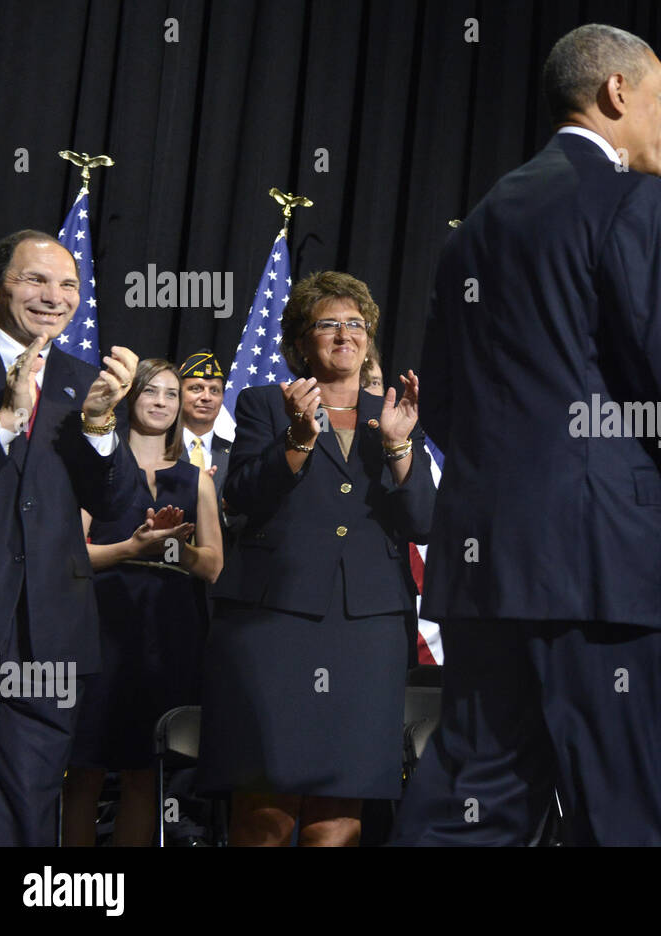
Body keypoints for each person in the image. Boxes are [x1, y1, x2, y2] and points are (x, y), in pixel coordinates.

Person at [394, 24, 661, 846]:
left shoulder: (477, 226)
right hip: (602, 570)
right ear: (616, 93)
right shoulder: (630, 198)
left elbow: (444, 406)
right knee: (634, 808)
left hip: (488, 567)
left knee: (475, 800)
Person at [195, 270, 434, 846]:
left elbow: (423, 521)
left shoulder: (394, 413)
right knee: (264, 805)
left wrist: (401, 446)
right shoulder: (265, 404)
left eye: (356, 325)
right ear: (301, 341)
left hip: (367, 628)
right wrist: (297, 443)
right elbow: (242, 498)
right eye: (328, 324)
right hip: (272, 624)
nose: (345, 335)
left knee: (341, 808)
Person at [0, 229, 139, 846]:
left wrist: (99, 426)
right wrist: (6, 419)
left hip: (50, 634)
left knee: (27, 798)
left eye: (68, 284)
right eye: (36, 280)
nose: (55, 296)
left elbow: (116, 503)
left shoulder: (82, 380)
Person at [62, 358, 223, 846]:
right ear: (130, 399)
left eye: (171, 394)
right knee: (85, 765)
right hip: (101, 623)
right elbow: (72, 557)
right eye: (151, 391)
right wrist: (133, 548)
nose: (161, 402)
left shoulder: (197, 479)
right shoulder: (99, 469)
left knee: (144, 767)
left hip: (168, 629)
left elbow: (214, 566)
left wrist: (171, 546)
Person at [177, 350, 231, 498]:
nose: (207, 397)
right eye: (196, 388)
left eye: (214, 390)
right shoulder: (160, 447)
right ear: (178, 393)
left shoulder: (234, 453)